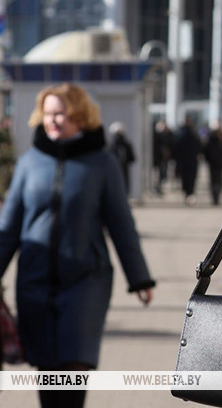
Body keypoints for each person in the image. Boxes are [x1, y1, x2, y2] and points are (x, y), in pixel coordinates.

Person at [0, 83, 155, 408]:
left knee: (74, 365)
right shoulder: (30, 163)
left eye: (61, 113)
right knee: (46, 368)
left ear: (80, 116)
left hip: (86, 282)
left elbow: (121, 224)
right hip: (34, 282)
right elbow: (8, 229)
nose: (53, 120)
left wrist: (139, 277)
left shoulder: (103, 163)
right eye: (48, 113)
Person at [174, 117, 202, 205]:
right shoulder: (193, 133)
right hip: (190, 161)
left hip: (184, 161)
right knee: (190, 179)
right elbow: (199, 146)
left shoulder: (181, 133)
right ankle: (189, 194)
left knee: (186, 179)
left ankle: (188, 194)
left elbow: (176, 147)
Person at [203, 125, 222, 205]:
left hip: (215, 164)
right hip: (217, 164)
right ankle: (216, 196)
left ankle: (216, 196)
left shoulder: (217, 140)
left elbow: (206, 151)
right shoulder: (220, 140)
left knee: (215, 180)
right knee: (217, 180)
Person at [108, 121, 136, 196]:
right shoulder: (127, 144)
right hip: (124, 169)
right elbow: (132, 158)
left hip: (115, 169)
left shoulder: (111, 145)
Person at [152, 120, 174, 195]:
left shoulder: (166, 136)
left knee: (160, 174)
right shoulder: (157, 137)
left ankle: (158, 187)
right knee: (156, 175)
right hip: (157, 159)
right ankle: (156, 188)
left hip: (160, 159)